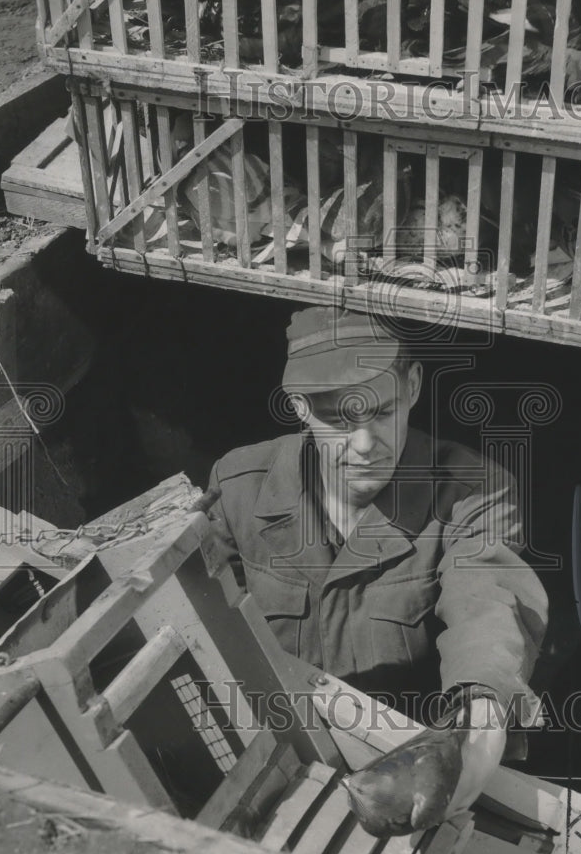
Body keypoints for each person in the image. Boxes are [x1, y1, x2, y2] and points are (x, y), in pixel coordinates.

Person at [206, 305, 548, 801]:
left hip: (402, 767)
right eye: (339, 419)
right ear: (299, 407)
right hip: (272, 758)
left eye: (383, 412)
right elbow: (207, 626)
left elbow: (488, 606)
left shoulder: (473, 493)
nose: (365, 444)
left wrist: (472, 726)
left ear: (413, 386)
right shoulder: (239, 486)